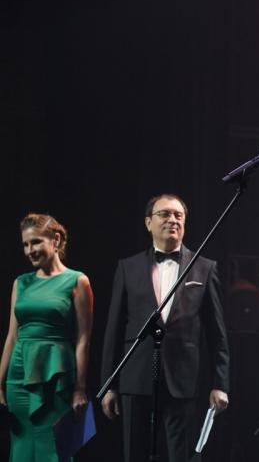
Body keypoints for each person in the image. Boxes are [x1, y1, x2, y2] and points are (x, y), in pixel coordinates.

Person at [100, 194, 230, 462]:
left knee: (180, 456)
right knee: (133, 453)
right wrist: (109, 385)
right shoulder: (128, 267)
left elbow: (217, 334)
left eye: (178, 215)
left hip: (182, 379)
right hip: (136, 376)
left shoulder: (204, 268)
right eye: (164, 214)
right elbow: (113, 329)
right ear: (148, 222)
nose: (172, 220)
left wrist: (220, 384)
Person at [0, 213, 94, 461]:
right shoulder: (20, 283)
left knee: (51, 447)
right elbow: (12, 335)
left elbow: (83, 339)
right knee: (21, 446)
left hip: (56, 376)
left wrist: (80, 390)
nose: (29, 250)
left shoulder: (77, 280)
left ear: (55, 239)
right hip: (18, 376)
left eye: (36, 242)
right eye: (25, 244)